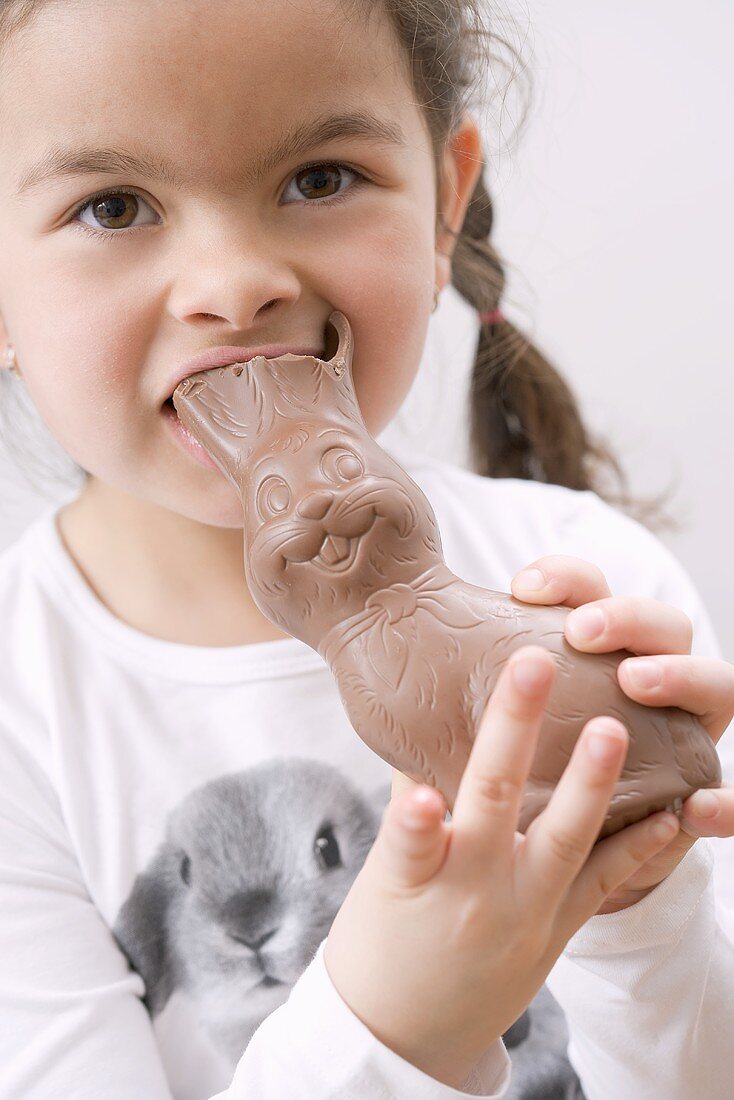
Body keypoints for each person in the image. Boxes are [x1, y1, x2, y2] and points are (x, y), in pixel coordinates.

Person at [0, 1, 732, 1098]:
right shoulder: (21, 711)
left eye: (319, 178)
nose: (234, 283)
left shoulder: (592, 585)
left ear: (443, 203)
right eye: (115, 205)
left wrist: (635, 917)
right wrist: (387, 1031)